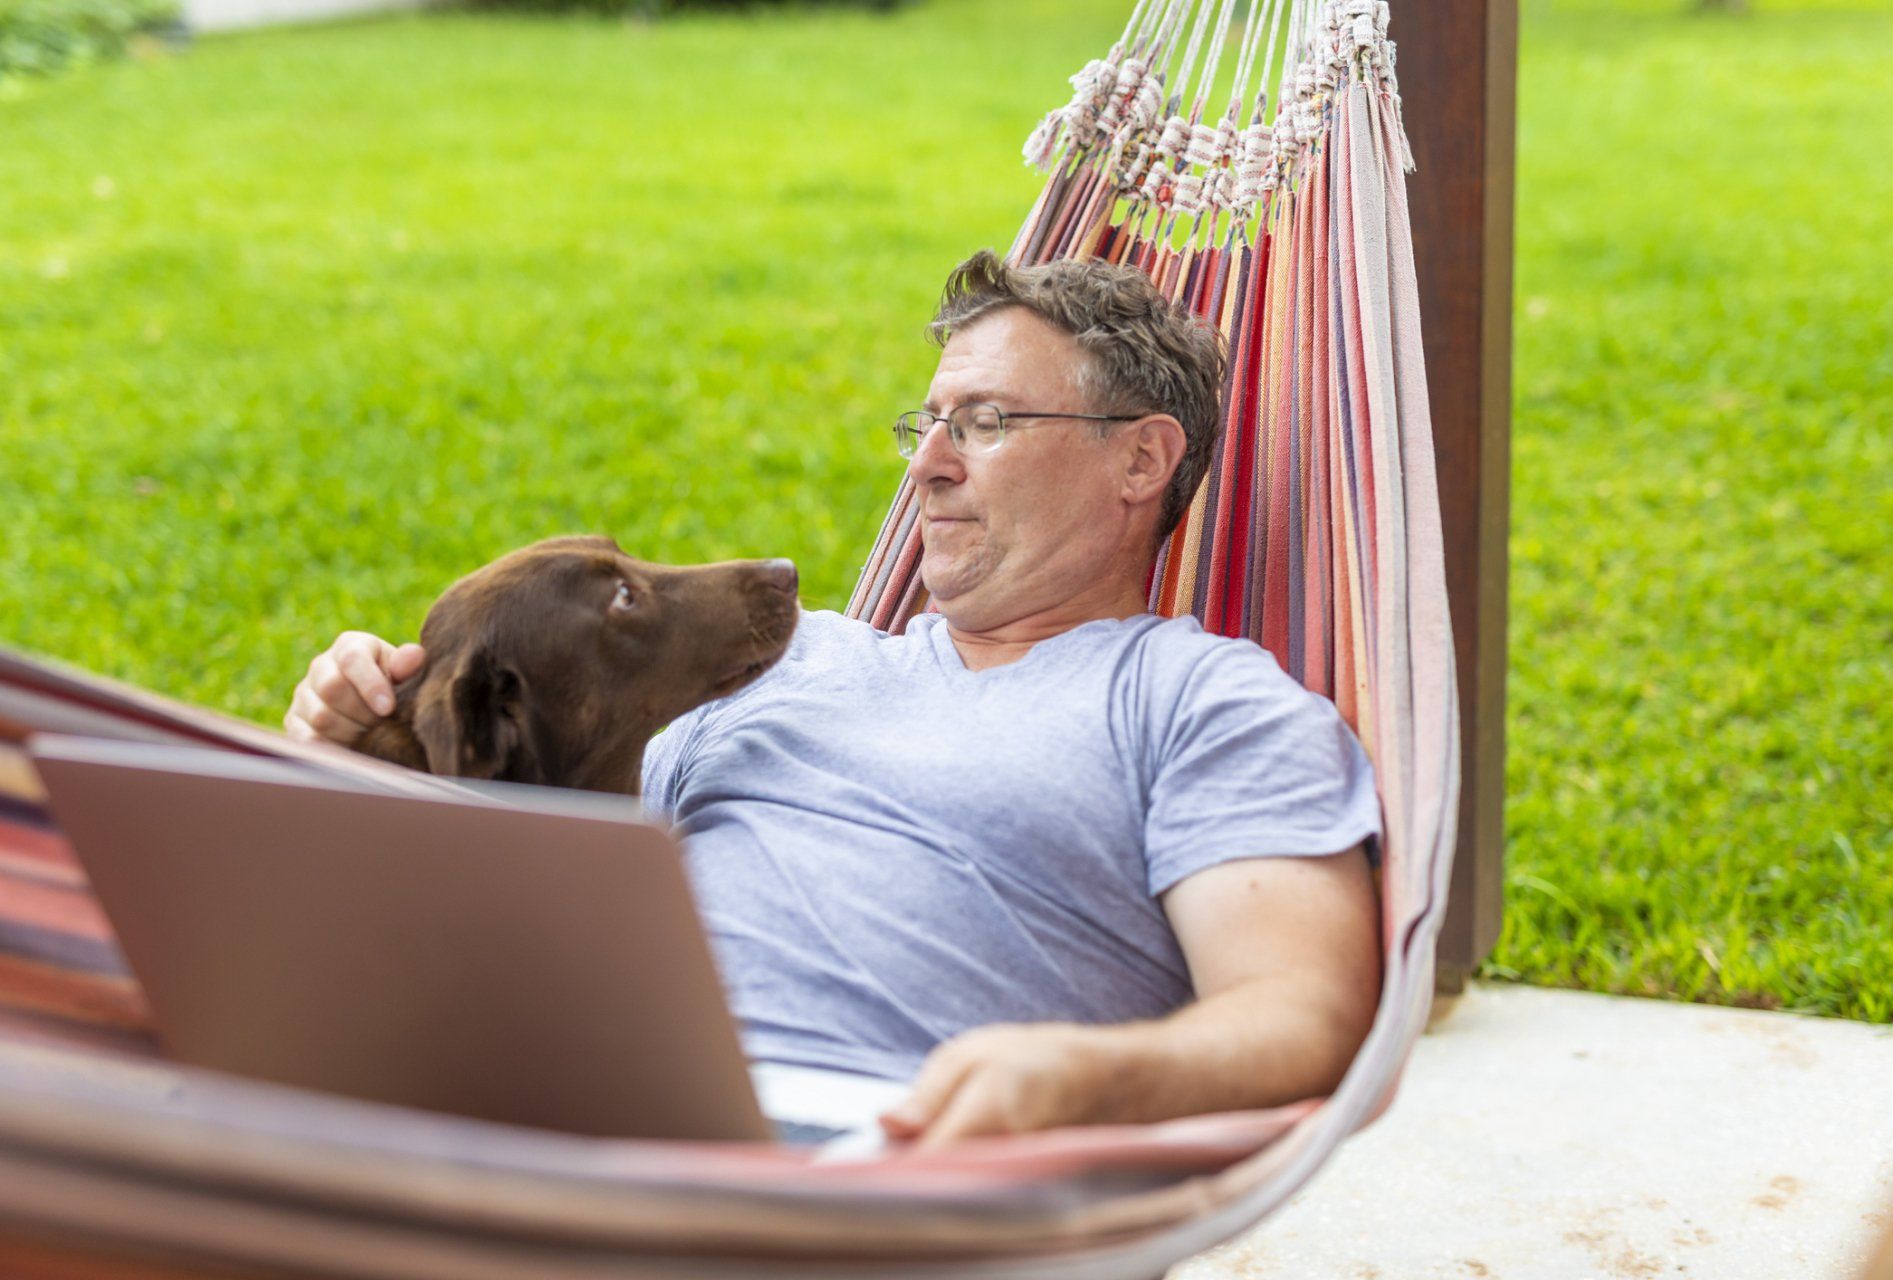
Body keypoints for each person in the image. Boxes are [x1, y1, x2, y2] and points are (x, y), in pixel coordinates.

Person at [285, 250, 1384, 1149]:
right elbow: (517, 849)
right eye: (927, 425)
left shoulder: (1201, 700)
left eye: (988, 422)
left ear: (1140, 461)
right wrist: (357, 750)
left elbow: (1304, 1014)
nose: (927, 466)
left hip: (861, 1170)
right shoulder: (770, 663)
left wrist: (1091, 1074)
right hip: (562, 1112)